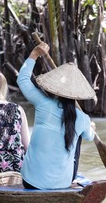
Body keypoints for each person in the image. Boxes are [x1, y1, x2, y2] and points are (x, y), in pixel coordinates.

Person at [17, 42, 96, 190]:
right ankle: (68, 179)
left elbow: (22, 80)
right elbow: (90, 137)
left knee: (77, 133)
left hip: (31, 181)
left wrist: (34, 55)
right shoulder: (82, 118)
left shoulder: (42, 103)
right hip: (62, 184)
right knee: (79, 135)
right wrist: (90, 127)